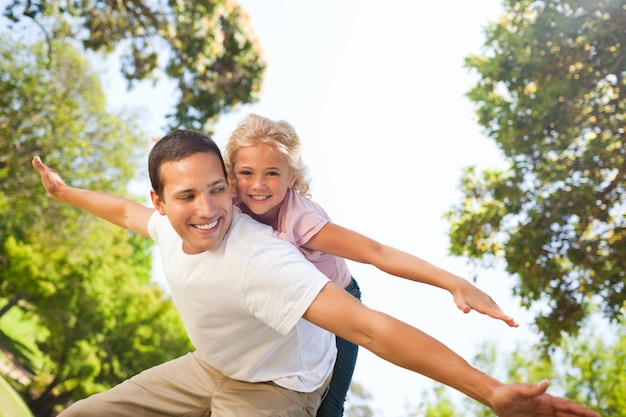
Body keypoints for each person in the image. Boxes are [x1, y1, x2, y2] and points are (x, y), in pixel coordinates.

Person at [32, 130, 600, 417]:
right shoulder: (161, 224)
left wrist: (490, 389)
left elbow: (373, 323)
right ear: (161, 202)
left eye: (217, 190)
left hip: (278, 385)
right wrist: (65, 193)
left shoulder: (266, 257)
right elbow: (122, 211)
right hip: (214, 364)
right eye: (187, 196)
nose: (207, 209)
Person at [223, 113, 518, 417]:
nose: (257, 184)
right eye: (246, 172)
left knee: (330, 405)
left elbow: (377, 252)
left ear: (292, 177)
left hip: (340, 297)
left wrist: (453, 282)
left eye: (272, 173)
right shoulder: (229, 203)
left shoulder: (302, 220)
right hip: (294, 304)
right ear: (232, 173)